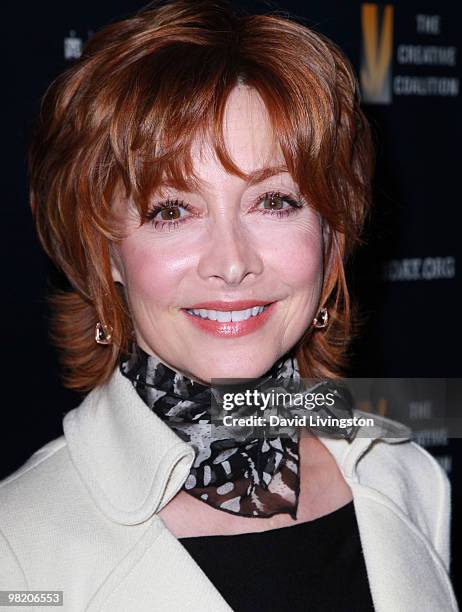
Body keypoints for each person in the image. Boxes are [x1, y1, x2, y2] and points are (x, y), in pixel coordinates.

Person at [0, 1, 458, 610]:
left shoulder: (405, 477)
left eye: (274, 202)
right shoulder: (19, 546)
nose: (232, 260)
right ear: (104, 254)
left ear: (329, 233)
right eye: (171, 210)